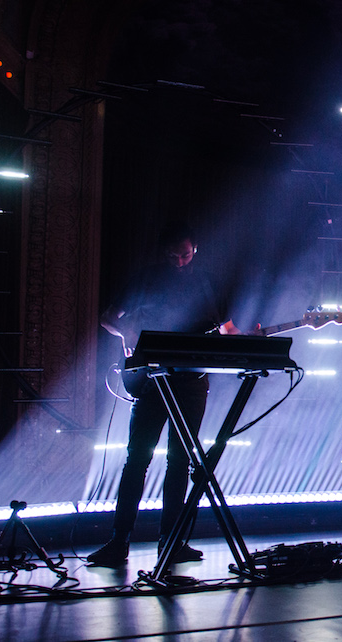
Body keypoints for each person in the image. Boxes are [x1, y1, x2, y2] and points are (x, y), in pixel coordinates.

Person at [87, 222, 241, 567]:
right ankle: (119, 541)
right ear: (164, 253)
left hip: (191, 382)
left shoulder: (208, 284)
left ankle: (170, 541)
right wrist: (127, 332)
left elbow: (228, 329)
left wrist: (251, 342)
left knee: (180, 462)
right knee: (137, 460)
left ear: (195, 250)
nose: (179, 261)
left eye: (185, 255)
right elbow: (109, 318)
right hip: (152, 380)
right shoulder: (146, 279)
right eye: (173, 255)